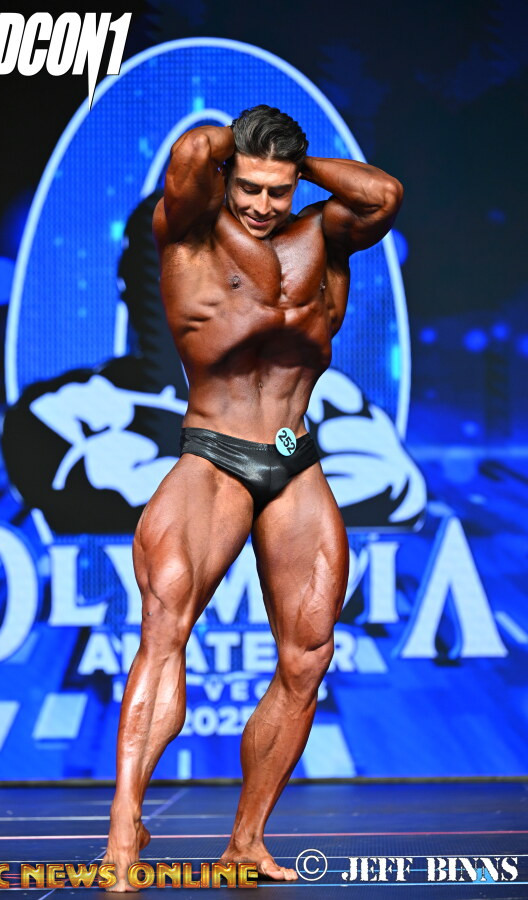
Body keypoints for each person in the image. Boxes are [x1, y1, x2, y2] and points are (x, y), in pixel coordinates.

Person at [103, 104, 403, 888]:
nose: (263, 205)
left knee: (308, 655)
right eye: (250, 188)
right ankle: (124, 832)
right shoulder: (189, 234)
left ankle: (245, 841)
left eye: (279, 190)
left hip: (294, 459)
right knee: (165, 628)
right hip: (214, 456)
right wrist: (238, 150)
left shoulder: (323, 235)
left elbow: (383, 195)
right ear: (228, 175)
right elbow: (191, 149)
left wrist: (296, 166)